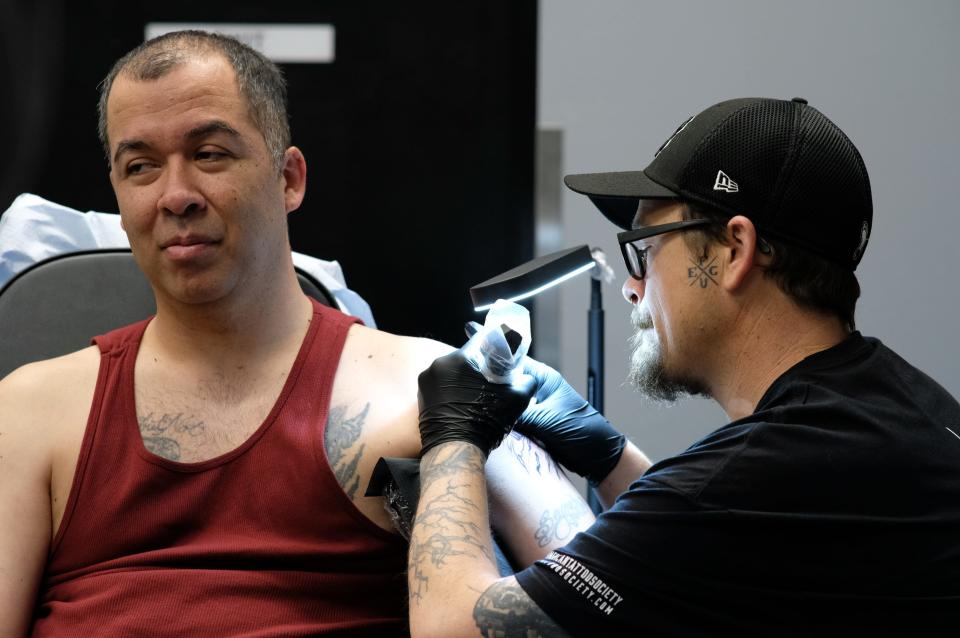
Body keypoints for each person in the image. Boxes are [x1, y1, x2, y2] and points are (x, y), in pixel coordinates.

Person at [0, 31, 594, 636]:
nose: (175, 196)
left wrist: (617, 459)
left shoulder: (431, 393)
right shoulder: (32, 414)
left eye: (209, 154)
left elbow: (608, 596)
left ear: (289, 179)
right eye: (141, 167)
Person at [408, 97, 960, 637]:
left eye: (644, 251)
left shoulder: (757, 474)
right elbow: (702, 543)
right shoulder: (900, 408)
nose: (631, 287)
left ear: (734, 251)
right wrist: (610, 454)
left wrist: (452, 435)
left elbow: (451, 626)